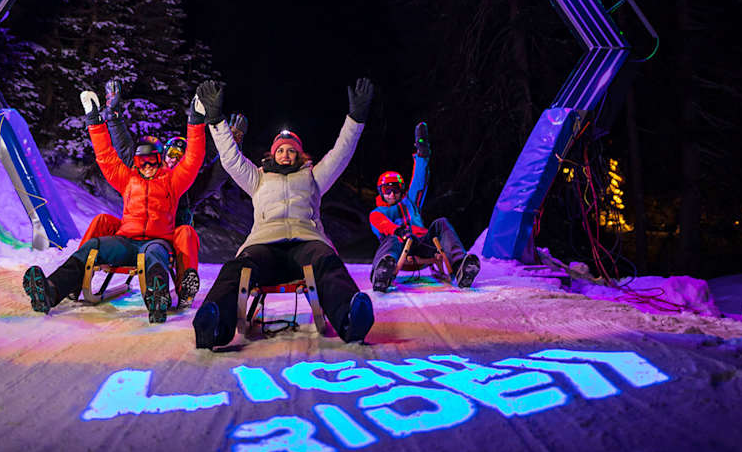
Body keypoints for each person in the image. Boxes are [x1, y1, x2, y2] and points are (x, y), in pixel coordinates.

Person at [191, 78, 377, 348]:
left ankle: (349, 314)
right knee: (237, 267)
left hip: (306, 243)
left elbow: (341, 154)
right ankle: (214, 322)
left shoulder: (313, 178)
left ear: (300, 155)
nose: (286, 154)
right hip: (264, 245)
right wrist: (217, 121)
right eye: (281, 150)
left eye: (292, 151)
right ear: (273, 153)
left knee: (326, 259)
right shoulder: (258, 178)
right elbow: (231, 159)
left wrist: (356, 120)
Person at [22, 80, 205, 322]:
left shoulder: (173, 181)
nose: (147, 165)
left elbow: (193, 157)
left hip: (158, 241)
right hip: (126, 242)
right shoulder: (128, 179)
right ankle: (51, 289)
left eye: (152, 160)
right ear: (136, 162)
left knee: (154, 255)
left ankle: (157, 299)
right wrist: (94, 122)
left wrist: (196, 122)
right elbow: (106, 156)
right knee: (92, 247)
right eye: (142, 161)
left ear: (160, 160)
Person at [76, 80, 204, 307]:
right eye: (171, 152)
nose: (174, 157)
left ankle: (183, 285)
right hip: (133, 234)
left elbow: (203, 165)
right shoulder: (140, 174)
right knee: (103, 220)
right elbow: (120, 153)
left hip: (166, 239)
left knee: (184, 232)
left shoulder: (182, 181)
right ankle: (75, 274)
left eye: (179, 154)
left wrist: (204, 126)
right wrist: (112, 117)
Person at [369, 122, 480, 291]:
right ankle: (382, 272)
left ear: (402, 190)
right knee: (390, 239)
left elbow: (419, 180)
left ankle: (460, 265)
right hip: (398, 249)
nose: (392, 194)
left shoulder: (409, 202)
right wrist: (399, 231)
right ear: (381, 192)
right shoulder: (377, 213)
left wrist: (422, 152)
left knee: (441, 223)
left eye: (396, 189)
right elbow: (383, 225)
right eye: (387, 190)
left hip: (423, 245)